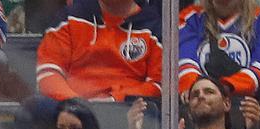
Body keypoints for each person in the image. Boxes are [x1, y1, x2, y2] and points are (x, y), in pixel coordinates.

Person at [34, 0, 163, 102]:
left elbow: (158, 86)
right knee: (31, 109)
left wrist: (117, 99)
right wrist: (78, 106)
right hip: (71, 114)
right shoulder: (70, 18)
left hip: (128, 115)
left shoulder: (154, 28)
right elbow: (48, 73)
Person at [177, 0, 260, 98]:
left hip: (249, 102)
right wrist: (193, 87)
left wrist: (225, 87)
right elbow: (186, 62)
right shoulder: (189, 19)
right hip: (200, 102)